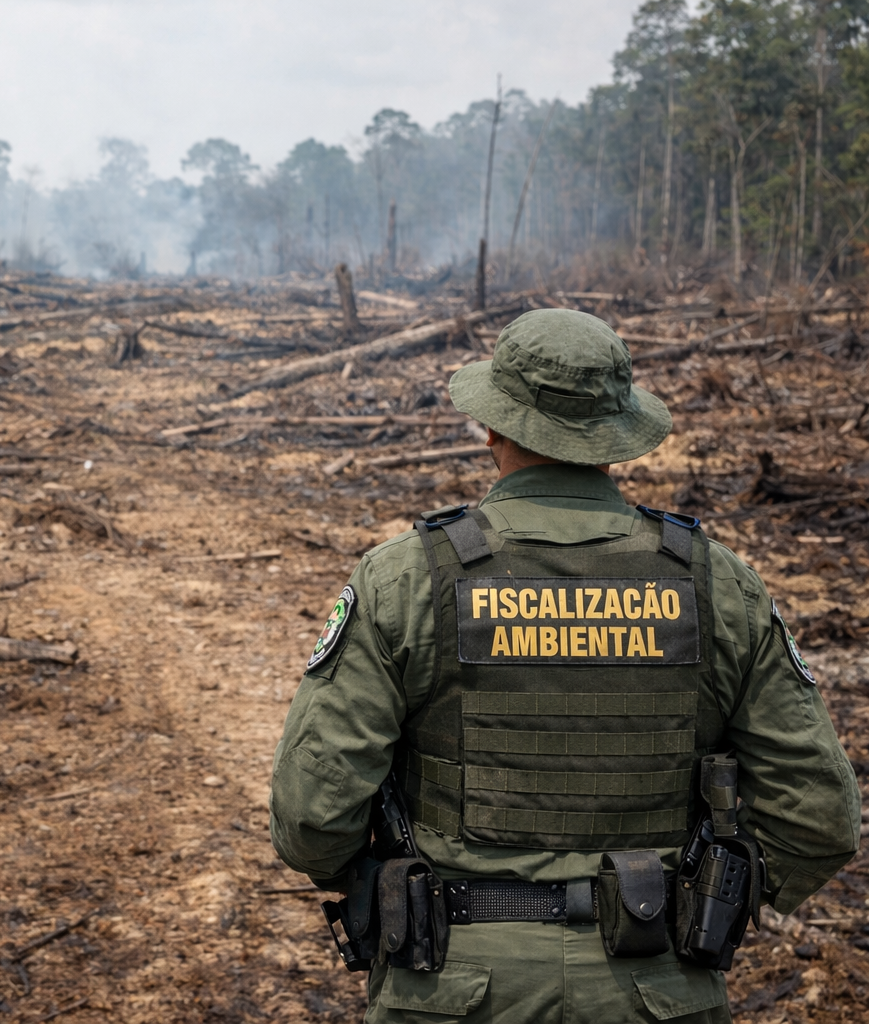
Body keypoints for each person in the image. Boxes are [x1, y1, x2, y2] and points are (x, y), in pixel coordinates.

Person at [270, 308, 860, 1023]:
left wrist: (369, 882)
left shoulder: (405, 581)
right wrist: (711, 903)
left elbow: (313, 818)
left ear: (492, 425)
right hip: (658, 990)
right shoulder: (716, 584)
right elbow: (820, 819)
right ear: (617, 435)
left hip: (451, 988)